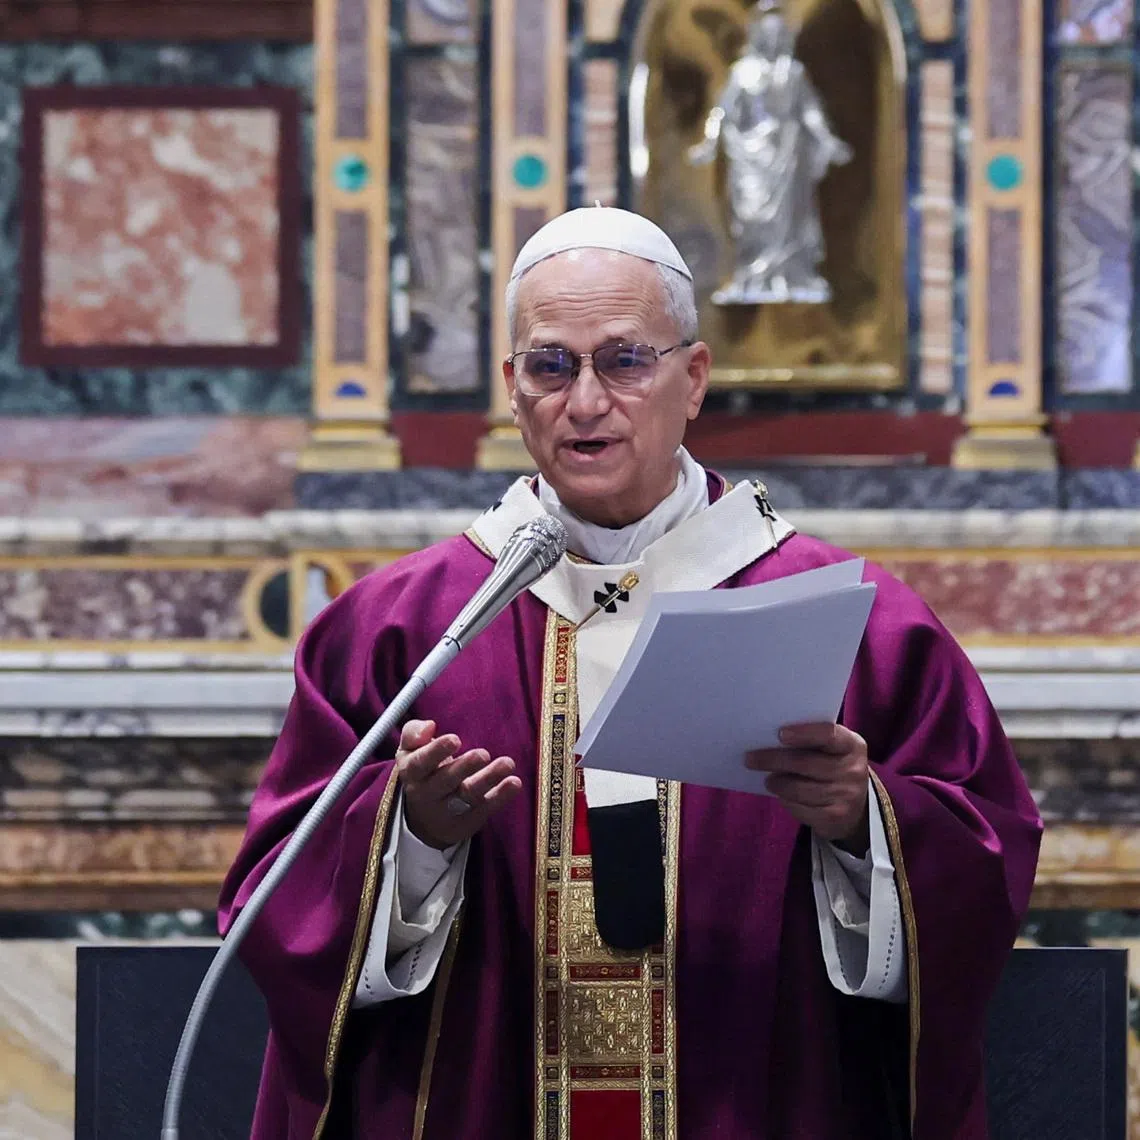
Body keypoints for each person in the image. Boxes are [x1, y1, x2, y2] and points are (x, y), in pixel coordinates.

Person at [219, 206, 1043, 1140]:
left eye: (624, 360)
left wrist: (865, 822)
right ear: (511, 386)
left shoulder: (860, 625)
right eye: (550, 364)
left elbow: (986, 866)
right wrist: (409, 839)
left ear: (693, 379)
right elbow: (274, 906)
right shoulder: (398, 631)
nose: (584, 401)